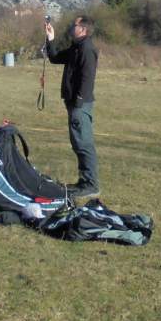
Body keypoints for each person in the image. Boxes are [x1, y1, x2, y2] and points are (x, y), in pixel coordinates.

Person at [44, 15, 100, 202]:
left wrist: (78, 101)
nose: (70, 27)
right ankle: (84, 181)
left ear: (83, 29)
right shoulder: (76, 47)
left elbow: (87, 78)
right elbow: (54, 58)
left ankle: (91, 185)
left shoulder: (87, 49)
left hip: (80, 105)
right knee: (78, 143)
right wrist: (50, 39)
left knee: (83, 144)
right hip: (74, 103)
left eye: (74, 25)